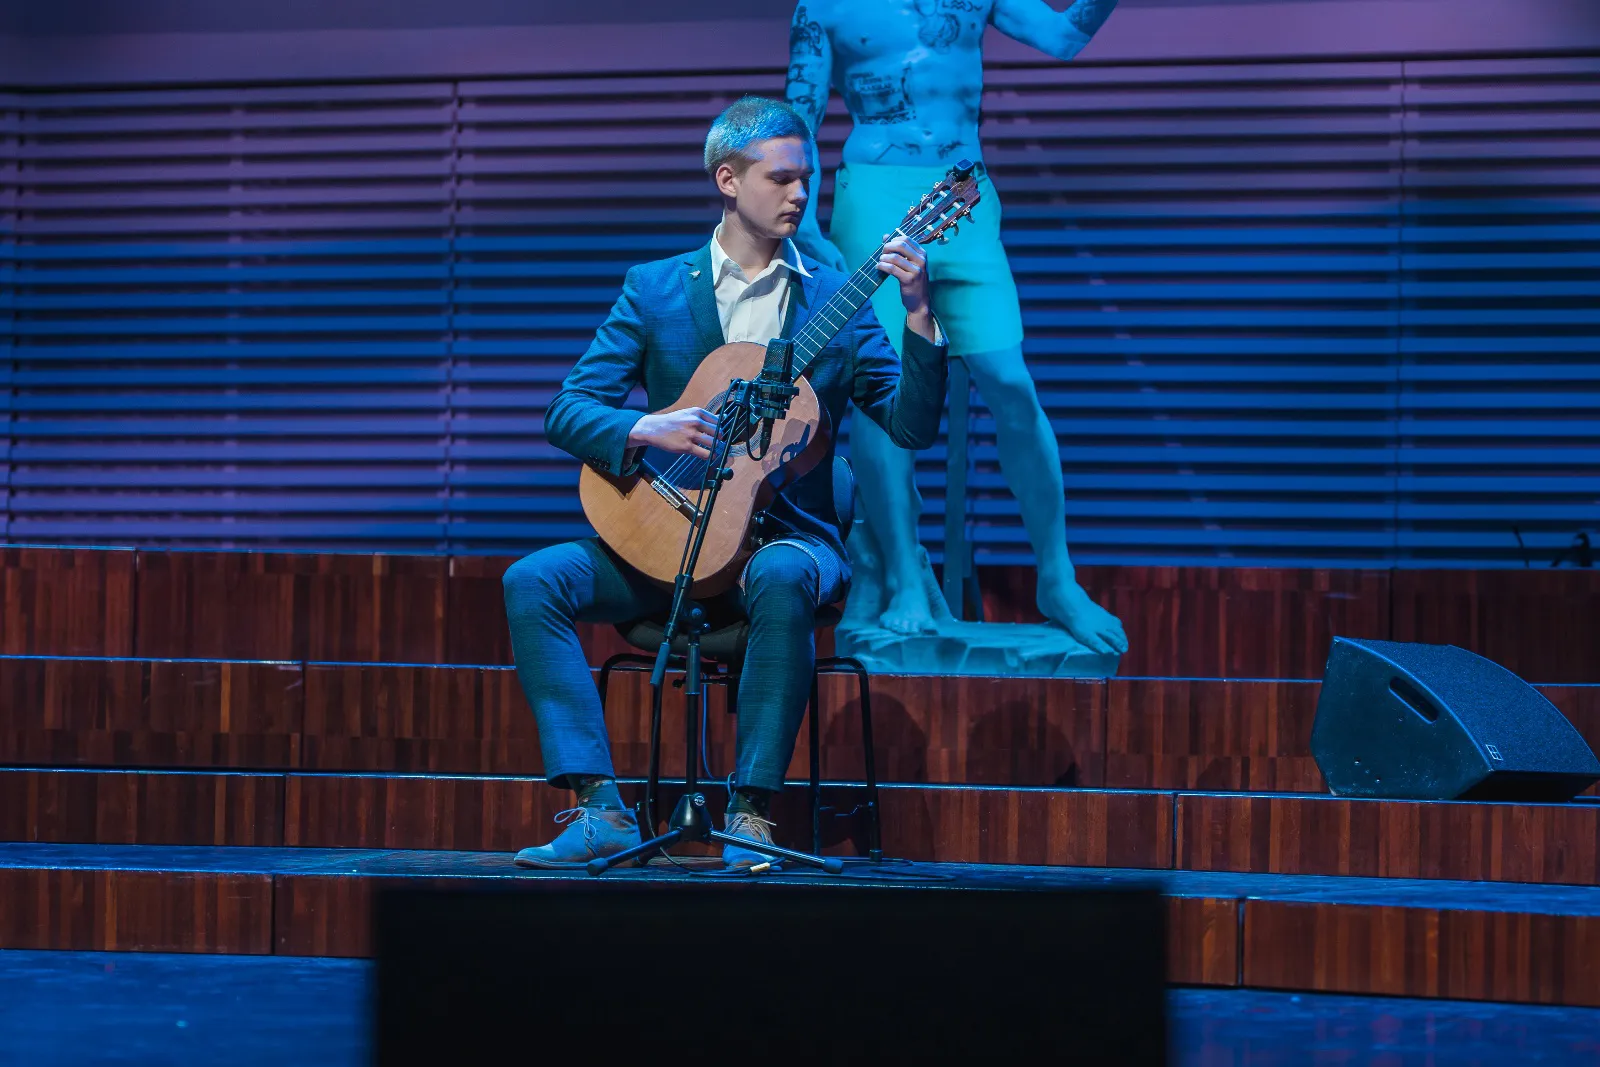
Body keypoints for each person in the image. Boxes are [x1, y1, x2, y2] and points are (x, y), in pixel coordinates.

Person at [502, 96, 948, 870]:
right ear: (728, 180)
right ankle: (601, 810)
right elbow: (567, 410)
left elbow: (910, 426)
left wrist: (918, 314)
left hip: (788, 543)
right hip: (668, 536)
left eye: (807, 178)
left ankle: (750, 814)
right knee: (533, 580)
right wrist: (647, 427)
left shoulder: (835, 300)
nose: (800, 194)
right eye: (781, 178)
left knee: (780, 573)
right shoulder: (654, 290)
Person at [786, 0, 1129, 656]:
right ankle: (904, 575)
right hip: (874, 191)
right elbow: (800, 119)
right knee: (883, 392)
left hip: (963, 191)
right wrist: (807, 227)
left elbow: (1062, 38)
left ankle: (1056, 578)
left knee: (1011, 384)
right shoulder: (824, 6)